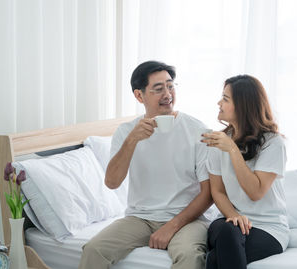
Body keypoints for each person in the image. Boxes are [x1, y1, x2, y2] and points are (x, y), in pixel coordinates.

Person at [78, 61, 213, 269]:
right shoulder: (126, 132)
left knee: (189, 256)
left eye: (170, 86)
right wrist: (132, 140)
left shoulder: (197, 130)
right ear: (139, 96)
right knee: (93, 250)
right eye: (158, 89)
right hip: (139, 218)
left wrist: (171, 226)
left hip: (187, 219)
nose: (167, 94)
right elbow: (112, 182)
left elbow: (208, 193)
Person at [202, 75, 289, 269]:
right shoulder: (218, 141)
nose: (219, 103)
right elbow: (218, 191)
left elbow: (255, 192)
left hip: (268, 228)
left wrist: (233, 150)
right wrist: (233, 215)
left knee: (216, 259)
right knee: (228, 230)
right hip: (227, 220)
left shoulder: (273, 143)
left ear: (243, 106)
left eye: (225, 99)